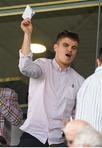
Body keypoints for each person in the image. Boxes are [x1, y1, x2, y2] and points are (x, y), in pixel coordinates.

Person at [18, 18, 84, 147]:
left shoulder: (79, 81)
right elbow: (25, 67)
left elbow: (78, 115)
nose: (70, 50)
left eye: (74, 47)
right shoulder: (42, 65)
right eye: (65, 45)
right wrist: (27, 33)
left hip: (59, 141)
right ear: (55, 47)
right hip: (33, 136)